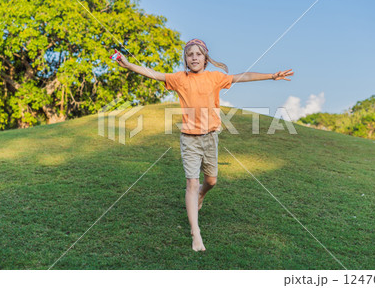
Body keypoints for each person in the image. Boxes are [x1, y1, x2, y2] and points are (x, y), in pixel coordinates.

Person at [113, 38, 293, 252]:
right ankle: (195, 233)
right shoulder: (179, 79)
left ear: (205, 58)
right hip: (189, 139)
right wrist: (128, 64)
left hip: (210, 138)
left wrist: (272, 76)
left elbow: (243, 77)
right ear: (186, 60)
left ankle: (201, 193)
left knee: (212, 181)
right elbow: (153, 73)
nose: (194, 58)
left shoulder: (215, 78)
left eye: (198, 54)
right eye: (190, 55)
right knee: (191, 183)